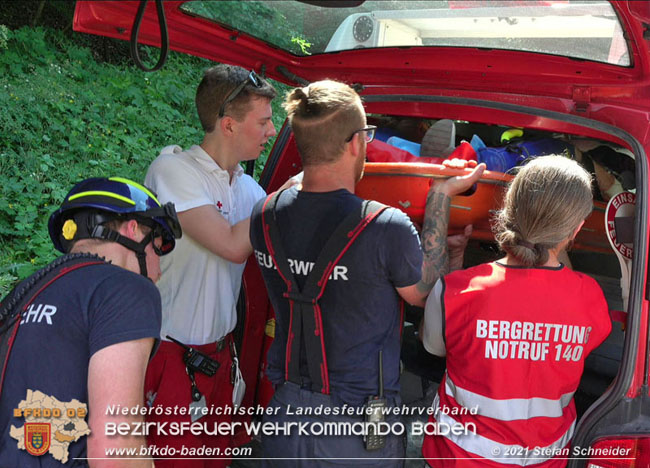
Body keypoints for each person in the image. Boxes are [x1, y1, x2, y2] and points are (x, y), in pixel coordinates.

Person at [249, 80, 484, 466]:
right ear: (356, 142)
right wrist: (441, 197)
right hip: (356, 428)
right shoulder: (384, 225)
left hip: (284, 417)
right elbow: (424, 293)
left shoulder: (263, 214)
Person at [420, 155, 613, 467]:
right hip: (547, 459)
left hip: (458, 458)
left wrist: (441, 199)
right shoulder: (590, 297)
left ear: (506, 210)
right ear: (576, 229)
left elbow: (436, 348)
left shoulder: (455, 291)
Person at [143, 64, 278, 466]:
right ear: (229, 125)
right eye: (265, 121)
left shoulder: (249, 188)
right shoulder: (173, 170)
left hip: (221, 358)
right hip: (170, 356)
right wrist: (286, 196)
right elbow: (231, 245)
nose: (272, 131)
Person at [0, 176, 181, 467]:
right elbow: (116, 448)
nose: (158, 270)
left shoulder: (25, 291)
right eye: (158, 248)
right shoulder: (126, 290)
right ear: (134, 230)